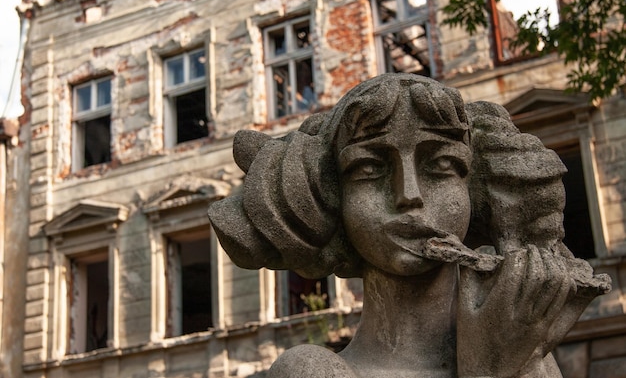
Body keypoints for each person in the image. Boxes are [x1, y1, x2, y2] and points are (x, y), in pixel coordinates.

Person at [208, 74, 610, 378]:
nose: (409, 195)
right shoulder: (311, 372)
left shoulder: (528, 356)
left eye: (440, 165)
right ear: (330, 202)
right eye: (369, 168)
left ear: (478, 190)